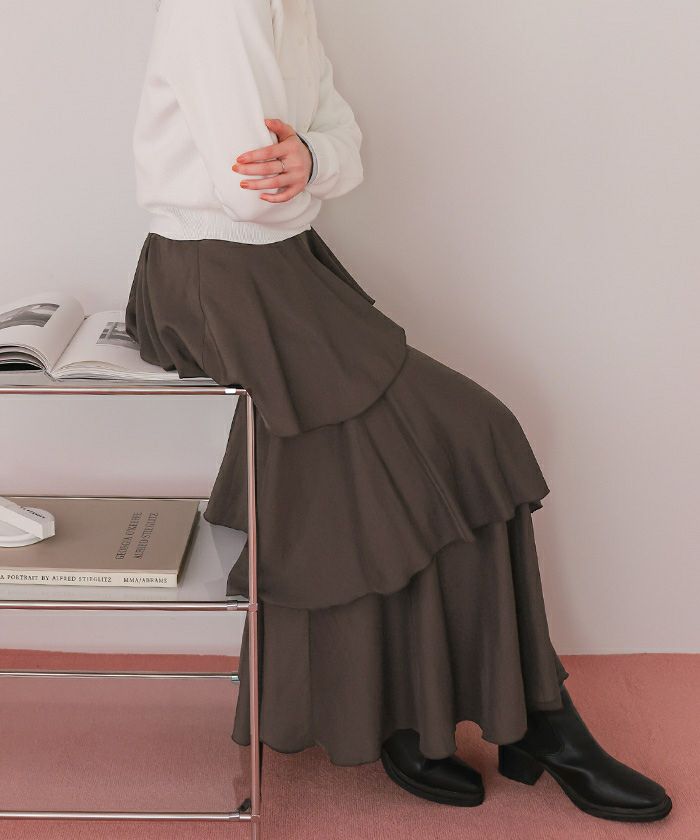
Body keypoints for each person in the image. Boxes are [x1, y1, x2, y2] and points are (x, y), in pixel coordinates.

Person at [124, 0, 671, 822]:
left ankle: (419, 713)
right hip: (220, 276)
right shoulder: (221, 7)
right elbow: (251, 197)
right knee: (472, 434)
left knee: (398, 468)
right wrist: (311, 168)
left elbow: (342, 142)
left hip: (279, 265)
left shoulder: (291, 6)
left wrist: (312, 156)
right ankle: (540, 723)